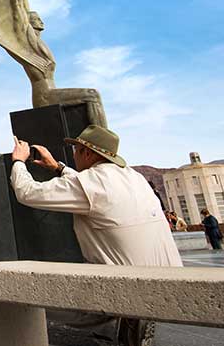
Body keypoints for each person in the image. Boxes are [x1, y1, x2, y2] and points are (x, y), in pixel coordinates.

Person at [10, 124, 182, 346]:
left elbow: (27, 192)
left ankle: (117, 321)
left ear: (88, 152)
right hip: (167, 280)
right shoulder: (133, 177)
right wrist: (58, 167)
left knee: (25, 296)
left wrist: (18, 161)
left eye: (76, 149)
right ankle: (126, 323)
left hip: (125, 288)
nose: (74, 155)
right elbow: (93, 190)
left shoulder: (90, 183)